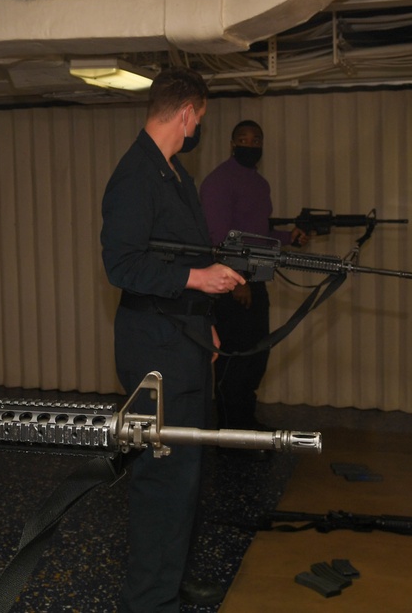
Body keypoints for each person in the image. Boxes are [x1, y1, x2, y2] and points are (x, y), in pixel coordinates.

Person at [101, 66, 246, 612]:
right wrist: (197, 279)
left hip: (181, 344)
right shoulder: (135, 175)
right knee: (162, 483)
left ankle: (175, 580)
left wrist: (200, 312)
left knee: (187, 477)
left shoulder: (174, 174)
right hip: (154, 356)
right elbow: (123, 265)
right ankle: (149, 600)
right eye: (198, 119)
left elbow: (176, 258)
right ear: (187, 112)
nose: (196, 130)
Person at [199, 119, 308, 437]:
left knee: (257, 355)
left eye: (256, 139)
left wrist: (290, 237)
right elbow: (219, 238)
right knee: (235, 359)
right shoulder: (219, 182)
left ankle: (246, 423)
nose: (250, 145)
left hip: (255, 279)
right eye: (243, 140)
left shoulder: (259, 184)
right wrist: (239, 282)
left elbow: (258, 234)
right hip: (230, 285)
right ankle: (231, 429)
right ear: (232, 145)